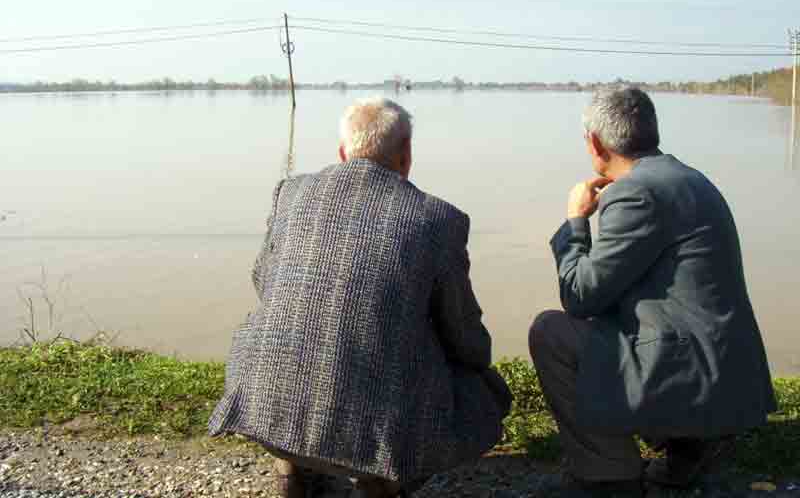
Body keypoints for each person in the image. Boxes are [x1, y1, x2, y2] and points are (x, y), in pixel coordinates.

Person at [209, 98, 511, 498]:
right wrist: (482, 374)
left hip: (263, 411)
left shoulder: (290, 192)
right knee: (486, 396)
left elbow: (264, 281)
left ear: (342, 153)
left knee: (293, 333)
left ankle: (293, 467)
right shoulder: (438, 219)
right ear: (406, 156)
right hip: (372, 435)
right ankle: (382, 482)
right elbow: (462, 332)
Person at [529, 88, 776, 497]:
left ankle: (607, 474)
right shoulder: (688, 177)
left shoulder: (634, 192)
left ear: (594, 143)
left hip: (697, 378)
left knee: (551, 332)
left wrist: (575, 222)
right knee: (620, 319)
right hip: (727, 374)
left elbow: (580, 295)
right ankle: (688, 448)